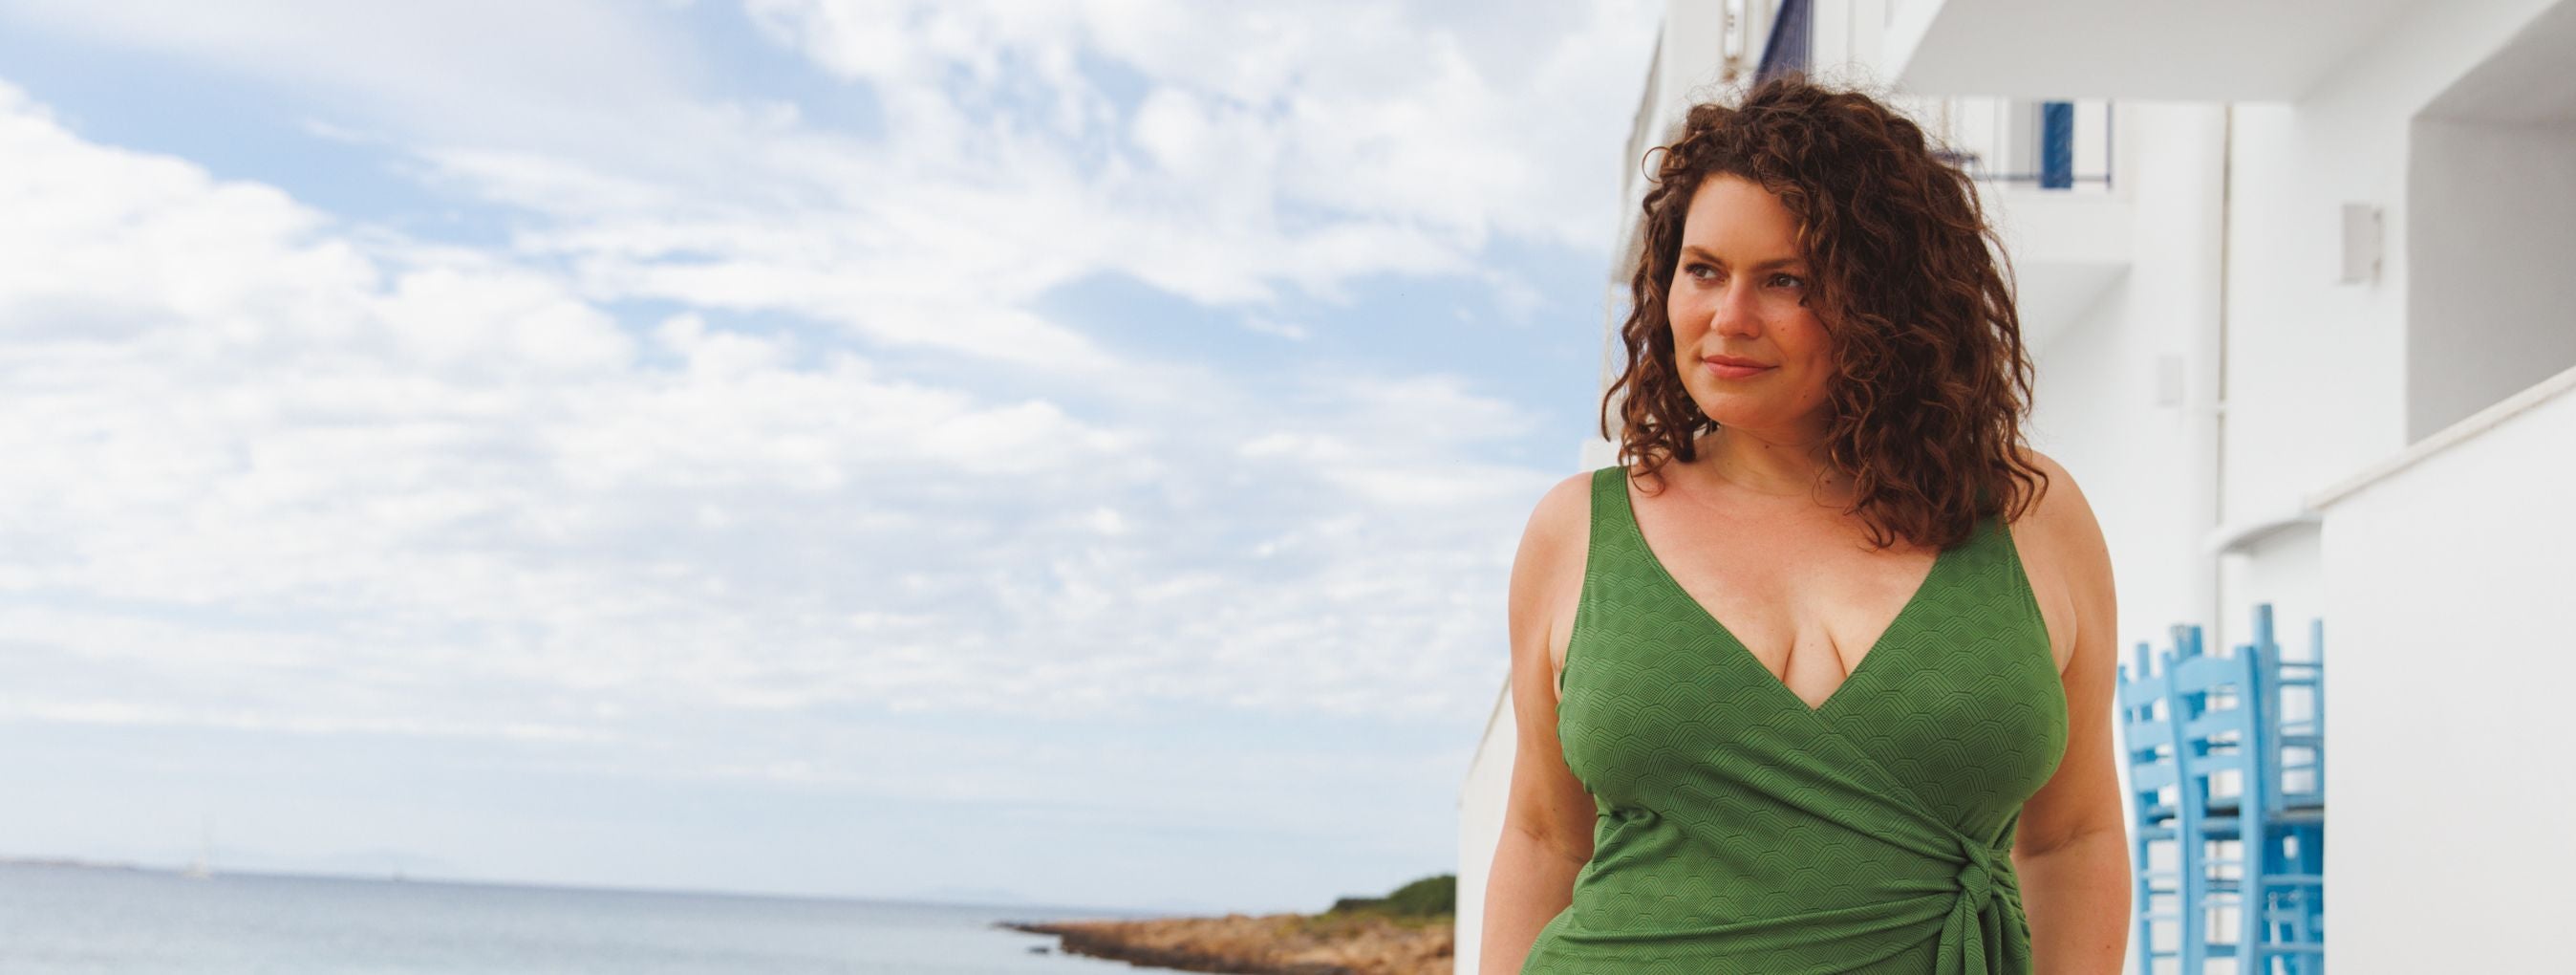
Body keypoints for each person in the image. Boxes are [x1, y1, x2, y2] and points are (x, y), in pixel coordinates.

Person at [1482, 73, 2130, 974]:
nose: (1727, 319)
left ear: (1888, 304)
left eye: (1785, 281)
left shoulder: (2030, 518)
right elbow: (1544, 838)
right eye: (1702, 270)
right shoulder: (1576, 532)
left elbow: (2076, 839)